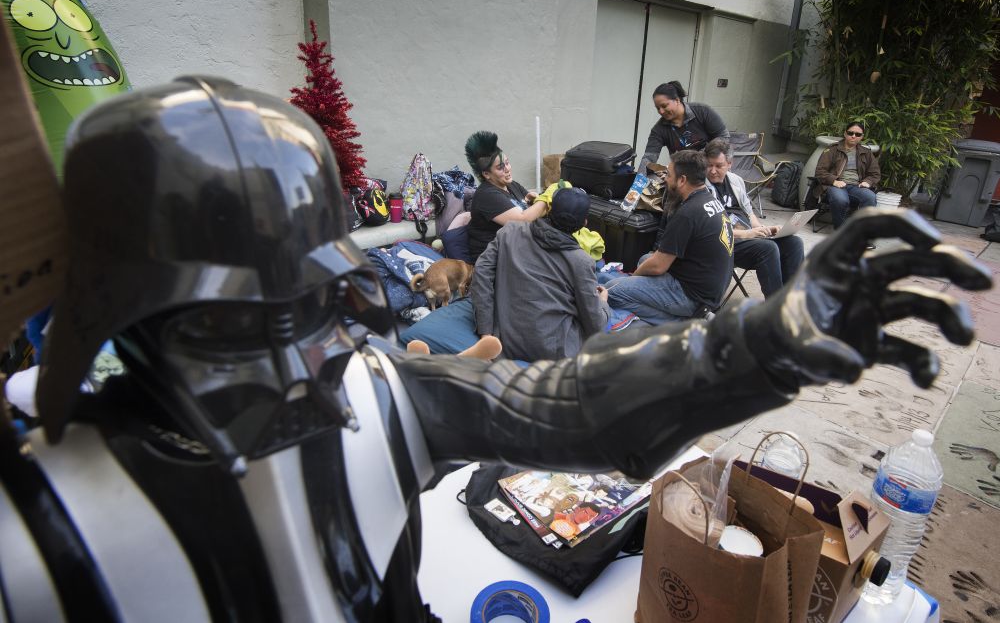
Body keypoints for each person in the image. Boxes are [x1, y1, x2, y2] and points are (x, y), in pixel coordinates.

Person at [2, 77, 990, 623]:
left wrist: (765, 339)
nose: (299, 368)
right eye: (225, 327)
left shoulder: (378, 393)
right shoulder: (29, 528)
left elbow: (570, 401)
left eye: (311, 307)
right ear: (116, 318)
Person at [471, 186, 612, 361]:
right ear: (584, 224)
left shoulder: (509, 232)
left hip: (506, 341)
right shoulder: (582, 261)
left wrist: (486, 332)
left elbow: (481, 274)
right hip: (555, 352)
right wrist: (603, 303)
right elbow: (595, 323)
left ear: (549, 210)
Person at [608, 150, 735, 322]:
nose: (665, 179)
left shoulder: (687, 213)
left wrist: (634, 277)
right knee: (645, 259)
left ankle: (681, 322)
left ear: (682, 180)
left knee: (613, 293)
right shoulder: (710, 200)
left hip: (693, 295)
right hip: (710, 288)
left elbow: (658, 266)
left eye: (668, 174)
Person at [704, 138, 804, 298]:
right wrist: (747, 234)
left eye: (719, 166)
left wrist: (763, 229)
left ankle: (791, 300)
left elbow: (749, 213)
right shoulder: (702, 187)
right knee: (768, 249)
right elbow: (710, 228)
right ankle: (774, 309)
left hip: (748, 238)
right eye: (709, 165)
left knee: (794, 243)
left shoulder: (735, 181)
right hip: (725, 243)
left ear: (730, 164)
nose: (713, 170)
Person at [464, 130, 547, 262]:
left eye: (507, 163)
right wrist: (546, 198)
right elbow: (522, 220)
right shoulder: (487, 195)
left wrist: (533, 201)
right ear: (486, 174)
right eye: (500, 167)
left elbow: (531, 209)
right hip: (494, 259)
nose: (507, 169)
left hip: (516, 249)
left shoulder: (511, 185)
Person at [639, 80, 728, 172]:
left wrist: (700, 156)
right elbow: (648, 159)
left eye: (664, 106)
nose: (661, 111)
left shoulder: (702, 111)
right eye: (658, 108)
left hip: (711, 169)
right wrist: (637, 184)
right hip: (684, 173)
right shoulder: (658, 130)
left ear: (677, 100)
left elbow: (724, 137)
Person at [815, 121, 880, 234]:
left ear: (862, 137)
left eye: (858, 134)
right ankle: (840, 234)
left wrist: (868, 182)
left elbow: (875, 173)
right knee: (841, 200)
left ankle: (863, 235)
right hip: (836, 185)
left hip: (856, 186)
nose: (853, 136)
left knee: (870, 197)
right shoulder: (833, 149)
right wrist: (834, 181)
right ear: (845, 134)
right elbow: (820, 171)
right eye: (851, 133)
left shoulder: (866, 152)